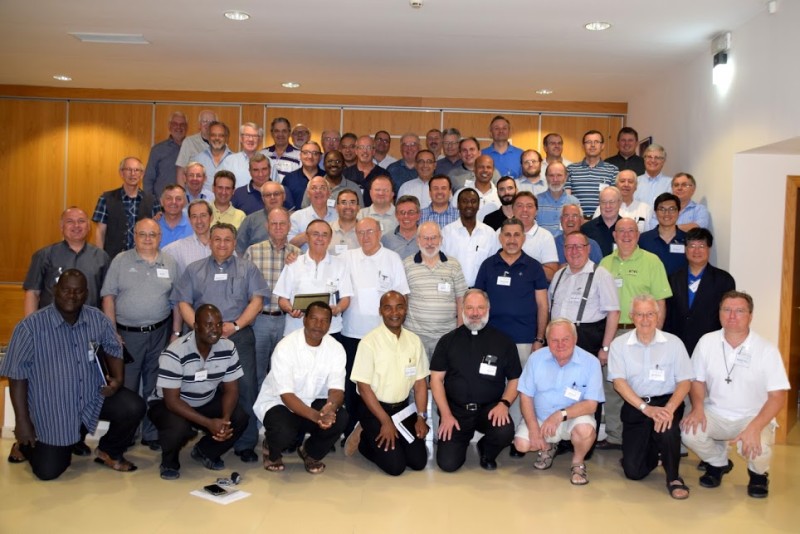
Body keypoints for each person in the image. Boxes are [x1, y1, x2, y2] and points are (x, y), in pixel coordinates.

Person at [2, 269, 145, 479]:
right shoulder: (30, 327)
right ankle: (24, 446)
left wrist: (117, 379)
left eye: (78, 291)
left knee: (133, 406)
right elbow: (17, 376)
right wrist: (22, 422)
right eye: (66, 290)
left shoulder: (97, 318)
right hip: (53, 407)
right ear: (55, 290)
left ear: (86, 294)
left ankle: (108, 451)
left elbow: (113, 348)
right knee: (49, 471)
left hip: (91, 396)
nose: (72, 296)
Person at [172, 222, 269, 463]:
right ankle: (208, 436)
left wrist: (235, 325)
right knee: (200, 388)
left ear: (235, 243)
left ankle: (245, 443)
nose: (222, 244)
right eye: (217, 239)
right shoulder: (194, 269)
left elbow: (257, 301)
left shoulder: (248, 268)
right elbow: (183, 302)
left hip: (238, 335)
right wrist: (200, 329)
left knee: (246, 387)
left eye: (227, 240)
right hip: (201, 340)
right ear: (210, 242)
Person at [681, 291, 790, 499]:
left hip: (753, 416)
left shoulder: (766, 349)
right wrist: (698, 408)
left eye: (739, 311)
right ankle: (718, 463)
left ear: (750, 316)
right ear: (719, 313)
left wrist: (755, 427)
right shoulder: (707, 342)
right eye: (727, 310)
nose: (732, 316)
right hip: (716, 412)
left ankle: (758, 475)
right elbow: (697, 380)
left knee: (759, 448)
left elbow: (777, 396)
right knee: (689, 432)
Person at [101, 218, 181, 450]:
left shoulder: (170, 262)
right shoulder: (120, 261)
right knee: (127, 387)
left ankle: (151, 434)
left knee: (154, 386)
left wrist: (176, 332)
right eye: (142, 234)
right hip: (127, 336)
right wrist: (112, 332)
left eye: (152, 234)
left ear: (160, 237)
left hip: (160, 332)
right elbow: (108, 297)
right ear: (134, 236)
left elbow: (177, 301)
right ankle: (125, 436)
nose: (147, 239)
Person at [147, 304, 249, 479]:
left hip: (205, 398)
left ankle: (205, 451)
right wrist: (209, 423)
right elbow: (172, 401)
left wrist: (224, 421)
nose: (215, 329)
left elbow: (231, 389)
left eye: (218, 324)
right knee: (178, 427)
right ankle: (169, 462)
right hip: (169, 404)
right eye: (208, 324)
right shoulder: (175, 352)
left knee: (239, 417)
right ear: (195, 326)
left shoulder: (228, 347)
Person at [608, 295, 693, 499]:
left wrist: (669, 409)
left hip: (666, 403)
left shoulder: (674, 343)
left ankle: (673, 477)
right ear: (631, 316)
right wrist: (645, 409)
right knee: (633, 472)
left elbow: (685, 382)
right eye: (639, 314)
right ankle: (653, 452)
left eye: (650, 314)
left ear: (658, 315)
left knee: (668, 430)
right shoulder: (619, 344)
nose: (645, 320)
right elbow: (619, 383)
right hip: (636, 404)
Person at [474, 217, 548, 448]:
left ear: (523, 238)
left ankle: (516, 436)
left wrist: (539, 338)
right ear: (500, 237)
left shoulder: (534, 267)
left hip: (524, 340)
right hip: (491, 341)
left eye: (517, 235)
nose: (512, 239)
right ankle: (494, 432)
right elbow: (477, 301)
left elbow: (543, 305)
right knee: (491, 385)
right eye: (507, 234)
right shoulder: (488, 265)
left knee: (521, 388)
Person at [599, 217, 672, 449]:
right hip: (612, 333)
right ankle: (615, 436)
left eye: (631, 230)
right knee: (612, 386)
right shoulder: (605, 263)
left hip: (642, 333)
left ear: (638, 234)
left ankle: (643, 437)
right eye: (621, 231)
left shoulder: (652, 261)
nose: (626, 235)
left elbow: (660, 302)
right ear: (614, 235)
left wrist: (656, 337)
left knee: (642, 385)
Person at [430, 289, 521, 472]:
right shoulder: (447, 341)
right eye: (470, 308)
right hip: (456, 412)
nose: (475, 313)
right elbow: (436, 380)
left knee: (504, 430)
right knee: (448, 464)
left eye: (480, 307)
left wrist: (504, 404)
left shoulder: (504, 341)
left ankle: (486, 450)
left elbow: (515, 379)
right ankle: (459, 440)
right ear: (462, 309)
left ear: (488, 309)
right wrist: (446, 414)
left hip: (489, 409)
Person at [254, 301, 348, 474]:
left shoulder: (336, 349)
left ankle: (310, 452)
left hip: (313, 401)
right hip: (280, 403)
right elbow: (286, 395)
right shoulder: (286, 346)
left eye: (324, 321)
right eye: (314, 319)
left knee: (340, 417)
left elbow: (337, 389)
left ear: (330, 324)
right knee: (283, 430)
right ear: (304, 320)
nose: (318, 325)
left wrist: (330, 408)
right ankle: (272, 450)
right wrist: (317, 416)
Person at [346, 292, 430, 476]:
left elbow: (420, 383)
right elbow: (363, 388)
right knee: (395, 467)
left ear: (406, 309)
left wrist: (421, 417)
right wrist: (385, 421)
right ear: (380, 311)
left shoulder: (414, 341)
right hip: (374, 410)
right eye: (388, 308)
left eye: (399, 307)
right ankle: (363, 439)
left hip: (402, 410)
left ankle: (389, 440)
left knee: (418, 462)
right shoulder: (369, 342)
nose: (394, 313)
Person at [513, 319, 604, 485]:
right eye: (554, 340)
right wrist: (533, 429)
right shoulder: (535, 359)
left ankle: (577, 463)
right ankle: (548, 448)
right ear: (547, 340)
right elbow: (525, 396)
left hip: (572, 418)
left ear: (575, 339)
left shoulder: (591, 362)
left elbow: (591, 405)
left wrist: (559, 415)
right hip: (541, 418)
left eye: (565, 339)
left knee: (585, 431)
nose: (560, 345)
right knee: (521, 445)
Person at [243, 207, 301, 388]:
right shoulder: (253, 251)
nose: (278, 227)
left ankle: (279, 405)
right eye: (273, 223)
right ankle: (258, 407)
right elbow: (243, 286)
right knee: (256, 371)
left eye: (282, 223)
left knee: (283, 371)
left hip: (287, 321)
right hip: (259, 320)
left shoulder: (298, 254)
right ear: (267, 226)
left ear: (289, 226)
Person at [23, 207, 109, 317]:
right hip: (51, 322)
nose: (76, 225)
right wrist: (31, 324)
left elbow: (107, 297)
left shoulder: (102, 257)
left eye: (81, 221)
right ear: (61, 226)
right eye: (70, 221)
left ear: (88, 226)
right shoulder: (44, 256)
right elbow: (32, 293)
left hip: (90, 322)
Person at [274, 219, 353, 336]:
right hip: (296, 330)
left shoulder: (340, 265)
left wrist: (337, 309)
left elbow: (346, 298)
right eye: (315, 234)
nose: (320, 238)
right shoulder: (293, 263)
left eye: (324, 235)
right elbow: (282, 298)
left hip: (330, 330)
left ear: (330, 239)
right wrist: (290, 309)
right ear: (307, 237)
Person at [664, 228, 736, 355]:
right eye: (692, 246)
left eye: (701, 246)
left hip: (711, 346)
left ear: (709, 249)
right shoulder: (673, 278)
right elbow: (668, 314)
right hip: (678, 344)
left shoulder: (724, 280)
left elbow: (728, 314)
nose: (696, 251)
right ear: (685, 249)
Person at [402, 221, 468, 359]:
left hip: (446, 336)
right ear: (418, 240)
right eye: (425, 238)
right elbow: (403, 299)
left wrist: (460, 332)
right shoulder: (407, 264)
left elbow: (461, 300)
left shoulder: (453, 265)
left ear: (441, 239)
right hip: (415, 336)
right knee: (416, 373)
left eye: (434, 238)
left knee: (443, 372)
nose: (430, 243)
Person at [92, 156, 161, 259]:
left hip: (143, 259)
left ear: (142, 174)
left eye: (137, 170)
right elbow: (100, 232)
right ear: (121, 173)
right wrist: (100, 258)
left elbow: (156, 231)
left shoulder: (152, 200)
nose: (133, 174)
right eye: (128, 169)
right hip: (113, 259)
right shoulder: (106, 198)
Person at [565, 130, 618, 215]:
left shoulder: (613, 170)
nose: (592, 145)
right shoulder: (571, 169)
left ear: (602, 146)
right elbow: (567, 198)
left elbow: (614, 198)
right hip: (577, 218)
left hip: (603, 219)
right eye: (589, 142)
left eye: (596, 142)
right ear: (583, 146)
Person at [510, 191, 559, 280]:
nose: (524, 210)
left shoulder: (545, 237)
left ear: (536, 211)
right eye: (520, 206)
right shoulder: (500, 233)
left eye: (529, 206)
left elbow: (552, 275)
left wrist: (524, 261)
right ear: (512, 210)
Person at [639, 192, 688, 276]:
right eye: (662, 209)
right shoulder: (643, 239)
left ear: (679, 212)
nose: (667, 214)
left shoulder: (688, 240)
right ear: (655, 212)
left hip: (680, 284)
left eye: (672, 209)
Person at [237, 181, 291, 254]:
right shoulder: (251, 220)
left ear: (284, 196)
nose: (272, 197)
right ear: (262, 198)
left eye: (276, 194)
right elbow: (239, 249)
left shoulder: (294, 218)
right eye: (268, 195)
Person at [163, 199, 212, 276]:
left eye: (203, 215)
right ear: (189, 220)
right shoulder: (176, 249)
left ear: (211, 218)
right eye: (194, 216)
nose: (199, 221)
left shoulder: (223, 246)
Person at [143, 111, 187, 196]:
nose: (179, 127)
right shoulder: (157, 150)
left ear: (186, 127)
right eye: (175, 124)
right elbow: (148, 179)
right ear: (169, 126)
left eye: (182, 124)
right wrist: (151, 201)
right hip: (162, 201)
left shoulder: (192, 149)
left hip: (187, 201)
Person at [288, 176, 338, 251]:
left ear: (329, 193)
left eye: (322, 188)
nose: (318, 191)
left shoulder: (338, 215)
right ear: (308, 193)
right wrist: (307, 235)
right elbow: (289, 245)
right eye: (314, 188)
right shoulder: (297, 216)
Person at [451, 155, 501, 222]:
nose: (485, 170)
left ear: (493, 170)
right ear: (474, 169)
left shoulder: (500, 195)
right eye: (481, 167)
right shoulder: (460, 194)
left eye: (488, 167)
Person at [535, 161, 580, 235]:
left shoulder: (574, 202)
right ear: (546, 177)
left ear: (565, 177)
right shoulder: (536, 201)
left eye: (559, 175)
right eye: (551, 175)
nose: (555, 179)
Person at [175, 110, 217, 184]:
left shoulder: (221, 145)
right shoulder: (189, 142)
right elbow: (180, 170)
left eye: (211, 122)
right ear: (199, 125)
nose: (208, 125)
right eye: (204, 121)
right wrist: (181, 190)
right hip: (194, 189)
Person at [193, 121, 236, 189]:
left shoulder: (235, 160)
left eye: (221, 135)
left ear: (226, 138)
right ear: (208, 137)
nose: (217, 138)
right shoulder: (198, 159)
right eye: (213, 135)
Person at [281, 141, 324, 210]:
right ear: (300, 156)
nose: (310, 156)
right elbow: (283, 205)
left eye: (315, 153)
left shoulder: (326, 178)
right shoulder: (289, 179)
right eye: (306, 153)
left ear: (320, 157)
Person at [581, 185, 622, 257]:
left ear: (619, 203)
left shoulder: (627, 229)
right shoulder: (586, 229)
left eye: (611, 202)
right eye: (604, 202)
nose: (608, 206)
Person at [344, 135, 385, 205]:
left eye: (368, 147)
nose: (365, 151)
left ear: (373, 151)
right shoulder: (345, 174)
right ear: (356, 151)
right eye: (361, 147)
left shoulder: (383, 174)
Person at [225, 122, 265, 188]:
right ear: (241, 138)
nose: (251, 139)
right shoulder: (229, 161)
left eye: (255, 136)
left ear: (260, 140)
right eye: (247, 135)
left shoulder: (269, 162)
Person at [381, 195, 421, 260]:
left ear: (419, 215)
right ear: (396, 215)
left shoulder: (427, 238)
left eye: (411, 212)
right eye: (402, 212)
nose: (406, 216)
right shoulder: (386, 239)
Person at [262, 117, 301, 181]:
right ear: (272, 133)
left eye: (284, 131)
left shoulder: (300, 155)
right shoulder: (263, 154)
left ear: (289, 133)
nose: (280, 134)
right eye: (277, 131)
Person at [328, 189, 360, 255]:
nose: (348, 207)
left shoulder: (366, 232)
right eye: (344, 203)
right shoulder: (326, 229)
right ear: (336, 208)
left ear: (358, 208)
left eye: (352, 203)